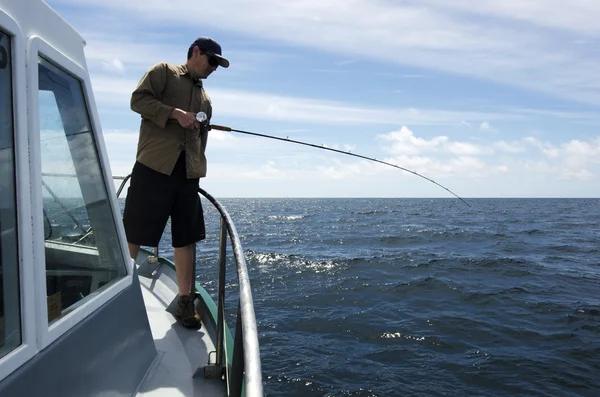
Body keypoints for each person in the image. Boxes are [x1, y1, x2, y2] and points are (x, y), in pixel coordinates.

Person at [122, 37, 229, 328]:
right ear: (195, 52)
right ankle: (116, 297)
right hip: (153, 168)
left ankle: (184, 302)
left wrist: (196, 165)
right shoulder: (164, 72)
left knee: (186, 237)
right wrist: (175, 114)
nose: (214, 69)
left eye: (218, 65)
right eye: (212, 61)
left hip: (187, 176)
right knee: (135, 232)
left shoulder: (205, 98)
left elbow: (201, 139)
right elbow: (138, 100)